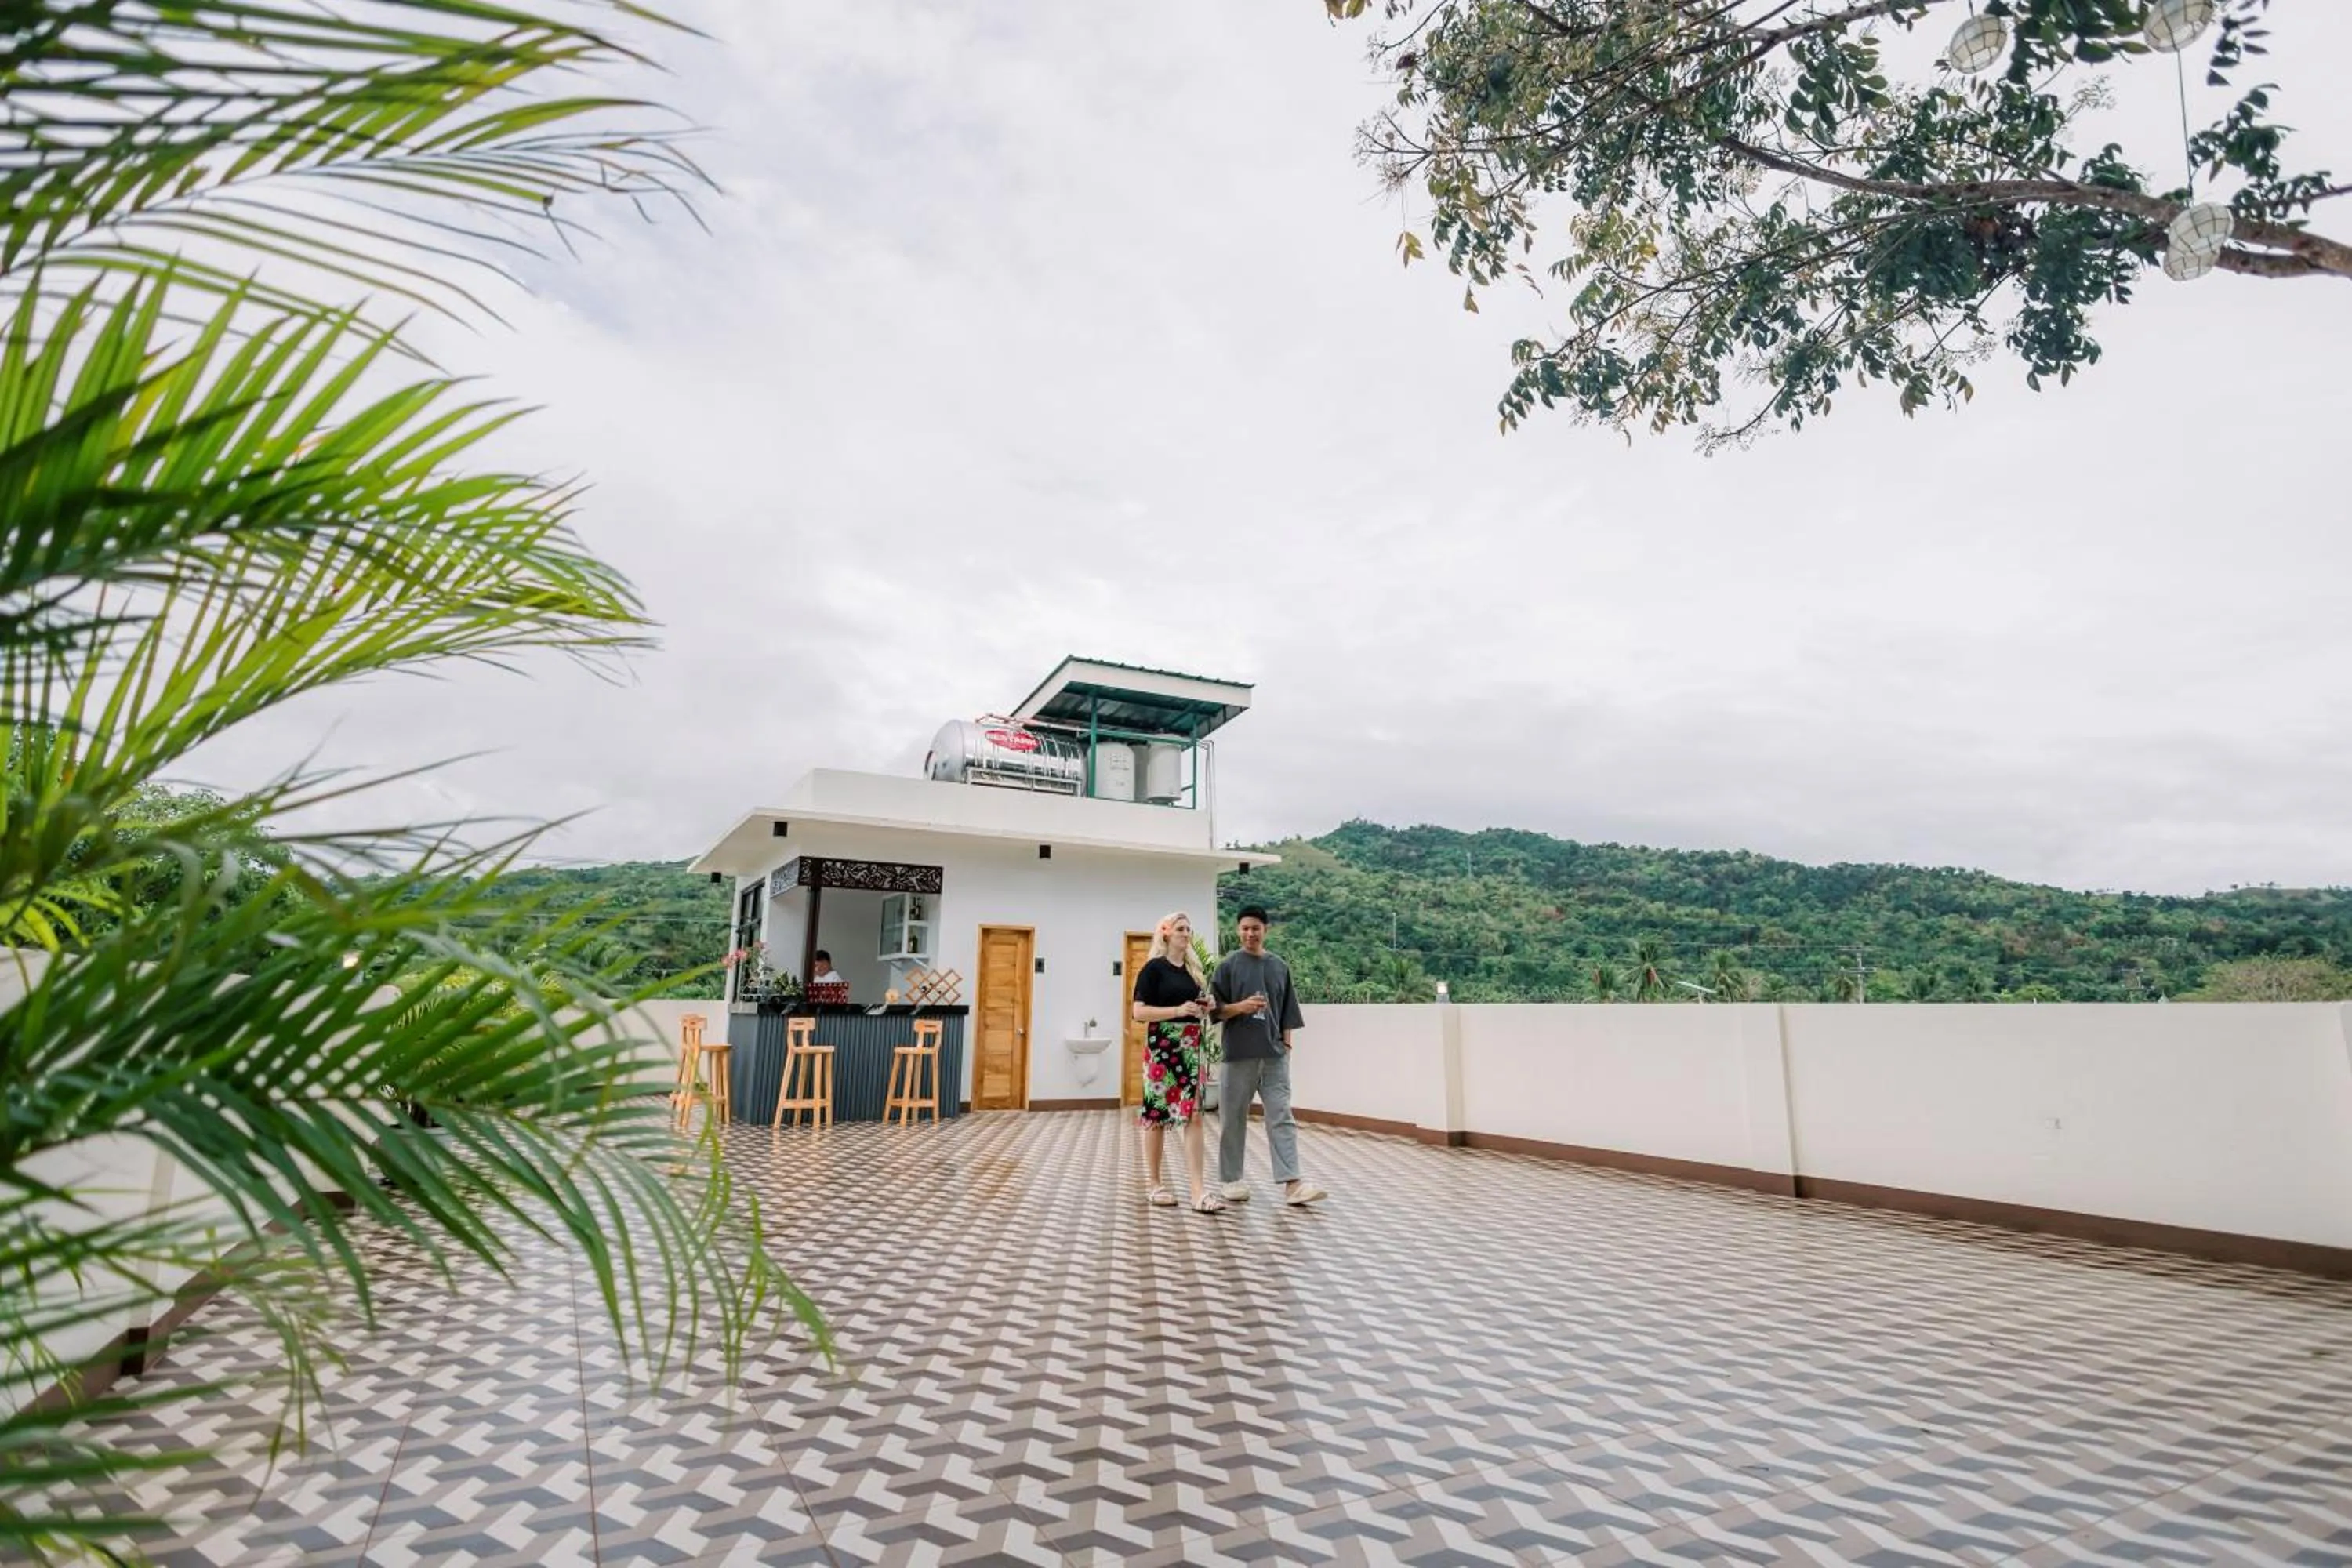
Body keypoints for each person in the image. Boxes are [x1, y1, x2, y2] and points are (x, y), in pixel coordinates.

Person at [1211, 906, 1327, 1207]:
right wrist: (1242, 1007)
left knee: (1281, 1117)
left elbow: (1288, 1011)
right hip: (1238, 1056)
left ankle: (1293, 1184)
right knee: (1232, 1120)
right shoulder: (1227, 967)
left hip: (1274, 1058)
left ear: (1266, 930)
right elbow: (1215, 1011)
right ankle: (1231, 1180)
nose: (1250, 933)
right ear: (1238, 930)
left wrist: (1286, 1047)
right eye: (1245, 928)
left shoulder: (1279, 966)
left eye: (1256, 928)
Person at [1131, 912, 1224, 1214]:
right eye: (1181, 928)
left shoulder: (1194, 971)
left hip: (1191, 1046)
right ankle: (1155, 1185)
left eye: (1189, 929)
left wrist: (1204, 1007)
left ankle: (1198, 1191)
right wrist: (1176, 1011)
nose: (1187, 933)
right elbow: (1138, 1012)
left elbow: (1195, 1009)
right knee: (1157, 1115)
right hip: (1162, 1048)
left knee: (1194, 1115)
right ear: (1166, 933)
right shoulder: (1153, 969)